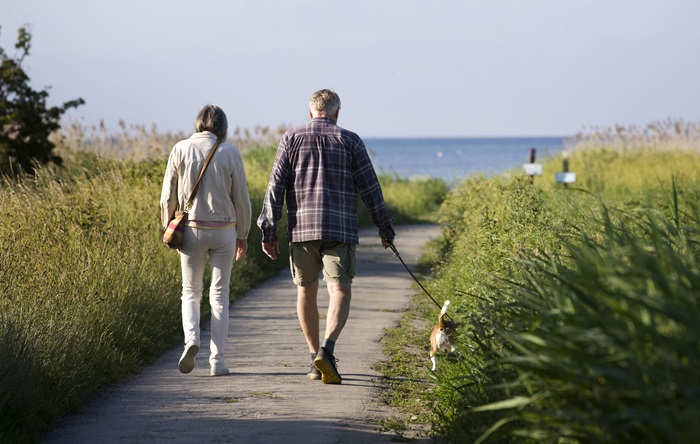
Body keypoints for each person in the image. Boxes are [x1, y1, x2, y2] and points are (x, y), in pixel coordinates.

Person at [257, 89, 395, 384]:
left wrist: (269, 230)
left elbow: (275, 188)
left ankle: (312, 358)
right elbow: (371, 188)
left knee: (305, 291)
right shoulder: (350, 140)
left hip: (302, 229)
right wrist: (385, 228)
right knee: (340, 290)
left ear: (310, 113)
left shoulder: (291, 139)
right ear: (337, 113)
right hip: (340, 228)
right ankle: (327, 350)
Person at [160, 104, 252, 376]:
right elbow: (242, 200)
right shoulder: (231, 152)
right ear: (222, 127)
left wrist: (170, 230)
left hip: (190, 230)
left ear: (198, 123)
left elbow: (168, 197)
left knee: (190, 292)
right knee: (220, 296)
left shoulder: (180, 149)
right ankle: (218, 362)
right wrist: (243, 235)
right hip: (224, 231)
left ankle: (191, 340)